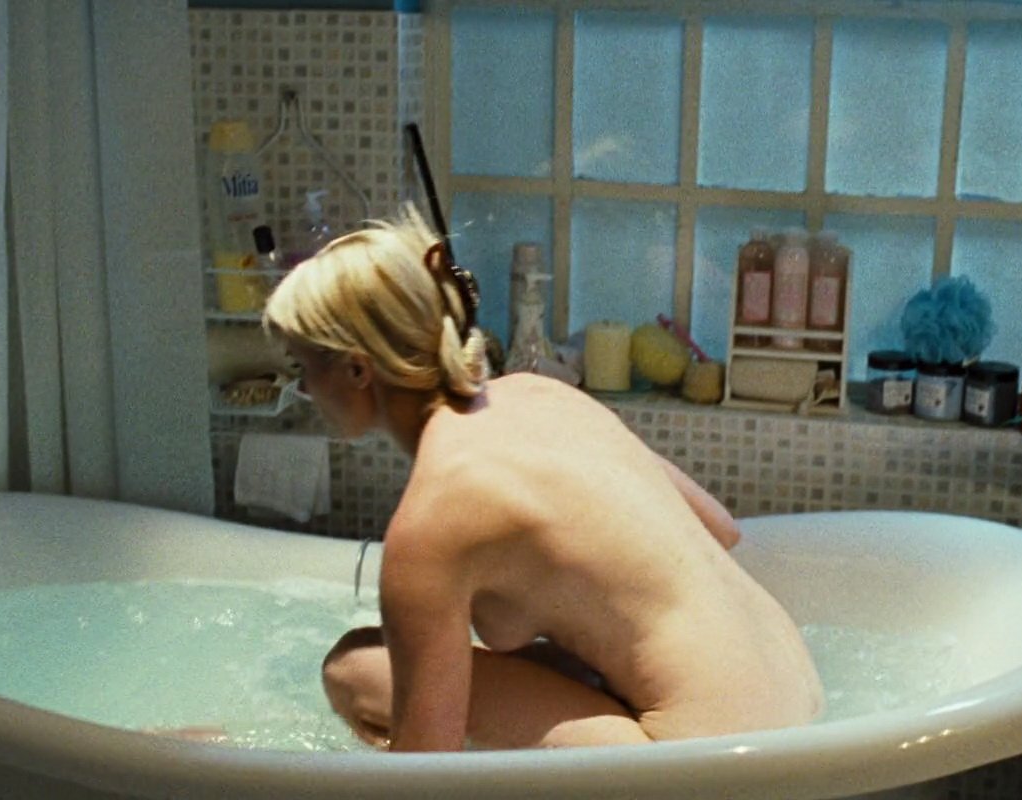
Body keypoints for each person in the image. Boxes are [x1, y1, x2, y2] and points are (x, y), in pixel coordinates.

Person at [261, 206, 823, 752]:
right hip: (798, 696)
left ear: (357, 369)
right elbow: (721, 528)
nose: (303, 390)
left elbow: (425, 771)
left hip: (712, 759)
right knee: (547, 658)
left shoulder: (432, 518)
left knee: (355, 667)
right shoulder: (540, 393)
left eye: (301, 368)